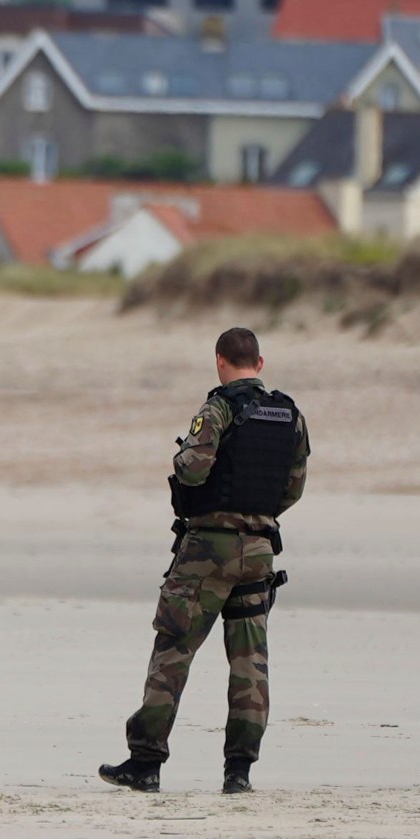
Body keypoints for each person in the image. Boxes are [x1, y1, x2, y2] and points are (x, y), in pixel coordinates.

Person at [99, 327, 307, 795]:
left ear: (219, 361)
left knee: (174, 648)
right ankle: (239, 771)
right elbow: (293, 487)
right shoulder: (290, 414)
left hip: (207, 549)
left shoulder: (217, 408)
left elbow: (192, 469)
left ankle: (146, 761)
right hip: (259, 548)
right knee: (250, 661)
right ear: (260, 362)